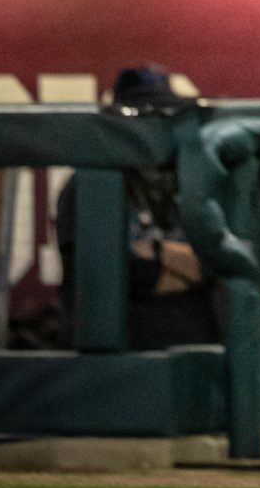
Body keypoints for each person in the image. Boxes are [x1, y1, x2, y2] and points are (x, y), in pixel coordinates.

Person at [53, 66, 215, 355]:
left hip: (196, 352)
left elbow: (219, 263)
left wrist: (155, 251)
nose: (149, 129)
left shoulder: (195, 181)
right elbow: (99, 281)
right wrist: (183, 267)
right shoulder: (87, 187)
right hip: (115, 359)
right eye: (139, 118)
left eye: (160, 116)